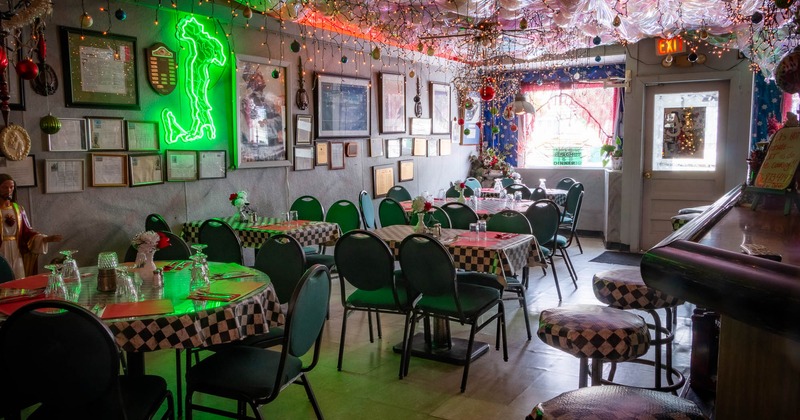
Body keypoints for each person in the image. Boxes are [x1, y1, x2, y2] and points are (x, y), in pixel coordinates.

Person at [0, 174, 62, 278]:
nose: (9, 190)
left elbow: (27, 232)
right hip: (1, 249)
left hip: (16, 250)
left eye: (11, 187)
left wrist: (45, 239)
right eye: (5, 187)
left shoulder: (18, 209)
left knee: (19, 277)